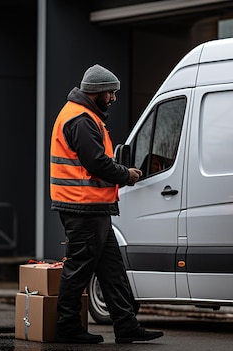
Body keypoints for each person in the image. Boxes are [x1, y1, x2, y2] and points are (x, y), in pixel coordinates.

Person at [50, 64, 164, 344]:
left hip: (90, 208)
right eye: (111, 92)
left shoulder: (83, 115)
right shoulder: (81, 119)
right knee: (79, 268)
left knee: (111, 269)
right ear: (97, 92)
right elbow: (96, 163)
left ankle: (125, 324)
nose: (113, 98)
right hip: (83, 208)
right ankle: (67, 326)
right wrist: (127, 174)